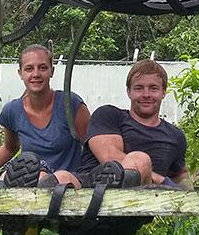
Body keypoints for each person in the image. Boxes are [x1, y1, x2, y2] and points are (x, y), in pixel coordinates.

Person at [0, 44, 90, 189]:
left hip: (66, 181)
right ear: (20, 73)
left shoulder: (70, 104)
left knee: (44, 178)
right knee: (5, 177)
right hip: (28, 178)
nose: (36, 74)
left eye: (42, 68)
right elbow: (10, 148)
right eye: (29, 69)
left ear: (52, 71)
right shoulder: (12, 110)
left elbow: (91, 145)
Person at [74, 59, 190, 188]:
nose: (146, 95)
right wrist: (162, 181)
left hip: (145, 200)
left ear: (163, 92)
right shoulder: (109, 115)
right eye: (139, 88)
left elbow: (181, 176)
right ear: (129, 91)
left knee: (139, 160)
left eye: (153, 88)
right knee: (61, 176)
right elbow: (110, 159)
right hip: (91, 191)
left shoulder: (175, 136)